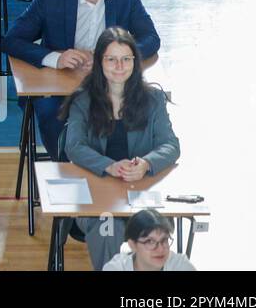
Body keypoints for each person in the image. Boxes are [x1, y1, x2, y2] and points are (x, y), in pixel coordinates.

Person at [1, 0, 161, 158]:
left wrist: (118, 56)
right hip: (60, 85)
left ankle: (108, 173)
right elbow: (11, 40)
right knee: (52, 116)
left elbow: (151, 38)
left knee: (135, 120)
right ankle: (70, 172)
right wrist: (55, 59)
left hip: (109, 83)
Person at [61, 27, 180, 270]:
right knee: (107, 226)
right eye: (111, 59)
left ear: (135, 62)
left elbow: (171, 145)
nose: (119, 66)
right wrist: (109, 166)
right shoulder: (83, 100)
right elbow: (74, 146)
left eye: (126, 59)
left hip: (141, 193)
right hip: (97, 198)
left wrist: (147, 164)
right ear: (100, 62)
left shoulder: (154, 99)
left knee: (152, 227)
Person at [101, 209, 197, 272]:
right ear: (132, 245)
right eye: (150, 242)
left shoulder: (180, 266)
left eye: (164, 240)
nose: (160, 250)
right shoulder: (116, 268)